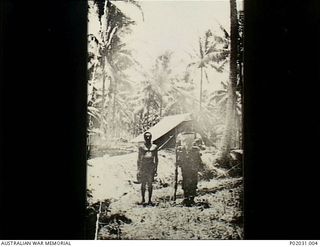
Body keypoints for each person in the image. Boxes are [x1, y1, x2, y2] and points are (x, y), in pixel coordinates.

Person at [176, 130, 203, 206]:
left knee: (193, 179)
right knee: (185, 179)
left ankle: (192, 197)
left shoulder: (197, 135)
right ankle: (186, 197)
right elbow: (177, 148)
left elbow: (202, 146)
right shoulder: (180, 135)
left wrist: (196, 147)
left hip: (194, 162)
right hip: (184, 162)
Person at [137, 132, 158, 205]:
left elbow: (156, 159)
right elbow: (139, 159)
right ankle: (143, 199)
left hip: (151, 167)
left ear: (151, 137)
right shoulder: (141, 147)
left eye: (149, 137)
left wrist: (156, 169)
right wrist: (138, 169)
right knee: (143, 183)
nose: (148, 138)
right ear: (144, 138)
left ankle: (149, 200)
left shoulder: (154, 147)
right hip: (143, 167)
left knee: (150, 184)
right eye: (146, 137)